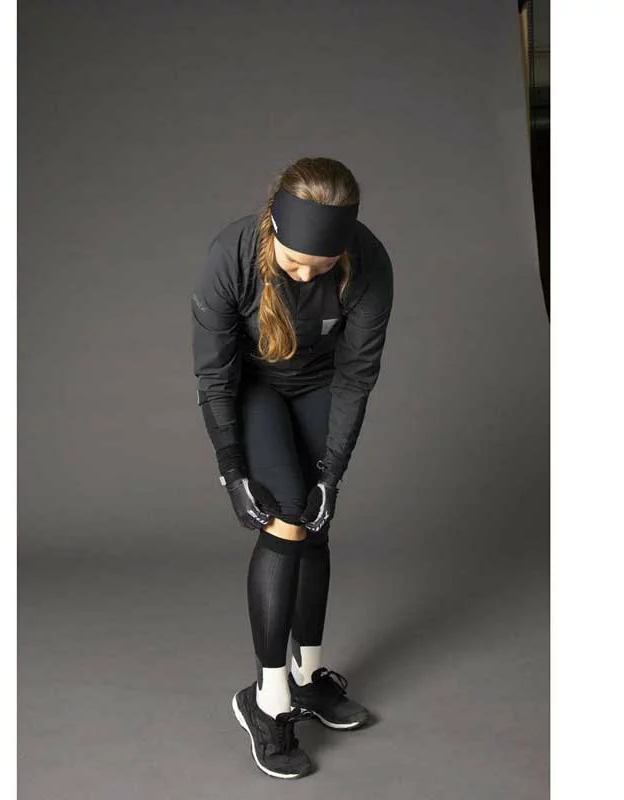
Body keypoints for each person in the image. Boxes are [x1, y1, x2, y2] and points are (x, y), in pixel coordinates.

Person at [191, 156, 394, 779]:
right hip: (254, 390)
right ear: (273, 228)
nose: (306, 274)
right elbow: (214, 374)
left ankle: (308, 676)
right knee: (286, 518)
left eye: (321, 266)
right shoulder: (231, 255)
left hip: (320, 386)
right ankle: (268, 697)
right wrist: (231, 468)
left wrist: (332, 472)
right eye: (295, 262)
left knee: (315, 519)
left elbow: (357, 376)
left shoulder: (370, 263)